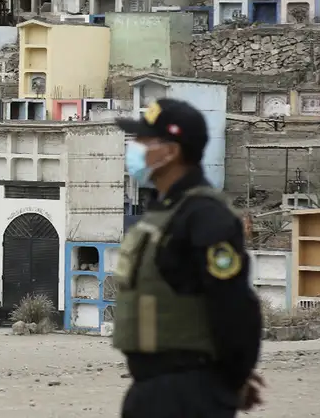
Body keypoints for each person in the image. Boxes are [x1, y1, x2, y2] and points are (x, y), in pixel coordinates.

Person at [112, 98, 264, 418]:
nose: (135, 147)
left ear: (171, 151)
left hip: (186, 394)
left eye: (144, 140)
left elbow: (234, 306)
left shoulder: (205, 216)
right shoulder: (166, 210)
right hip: (154, 389)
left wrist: (231, 380)